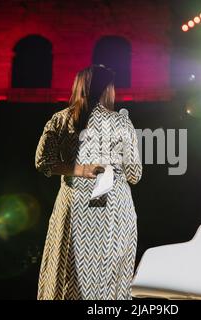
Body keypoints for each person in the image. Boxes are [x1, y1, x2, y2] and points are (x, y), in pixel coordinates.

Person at [35, 64, 142, 300]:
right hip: (113, 210)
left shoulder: (60, 119)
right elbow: (135, 174)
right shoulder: (121, 122)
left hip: (73, 207)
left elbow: (42, 161)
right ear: (107, 89)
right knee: (108, 278)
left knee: (69, 274)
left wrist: (79, 169)